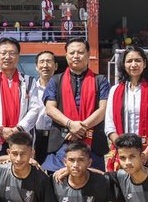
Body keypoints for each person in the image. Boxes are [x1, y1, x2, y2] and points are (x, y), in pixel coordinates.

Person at [43, 37, 109, 172]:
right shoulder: (55, 80)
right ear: (66, 55)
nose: (76, 56)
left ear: (88, 54)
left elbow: (103, 109)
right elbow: (50, 109)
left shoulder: (100, 80)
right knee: (59, 186)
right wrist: (70, 124)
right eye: (72, 53)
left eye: (80, 52)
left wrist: (80, 128)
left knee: (94, 187)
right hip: (62, 142)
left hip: (93, 142)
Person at [104, 46, 148, 171]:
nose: (134, 64)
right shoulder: (115, 90)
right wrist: (124, 151)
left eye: (138, 60)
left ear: (144, 63)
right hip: (122, 156)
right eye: (129, 61)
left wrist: (146, 152)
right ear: (123, 65)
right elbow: (109, 125)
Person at [0, 38, 42, 157]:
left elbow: (35, 108)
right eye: (3, 53)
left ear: (18, 56)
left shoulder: (29, 81)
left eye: (12, 53)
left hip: (22, 139)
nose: (7, 57)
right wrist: (1, 129)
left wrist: (18, 129)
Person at [31, 50, 57, 164]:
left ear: (55, 66)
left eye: (49, 61)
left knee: (54, 171)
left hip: (55, 136)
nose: (45, 65)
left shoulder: (61, 88)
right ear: (36, 67)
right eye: (42, 62)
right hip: (36, 135)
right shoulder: (30, 88)